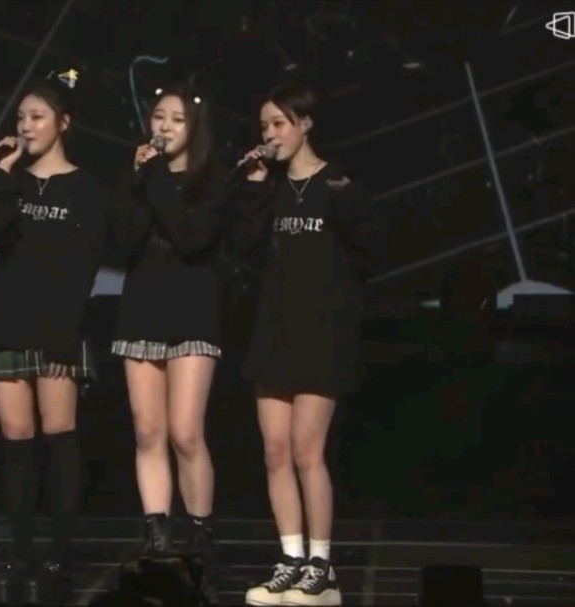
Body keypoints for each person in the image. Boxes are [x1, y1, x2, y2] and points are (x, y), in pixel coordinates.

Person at [234, 83, 388, 607]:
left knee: (306, 450)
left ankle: (322, 567)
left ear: (304, 124)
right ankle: (291, 560)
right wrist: (255, 187)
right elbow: (247, 251)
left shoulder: (337, 185)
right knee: (275, 450)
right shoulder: (271, 189)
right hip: (274, 331)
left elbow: (372, 252)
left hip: (322, 334)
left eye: (278, 124)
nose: (269, 134)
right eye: (264, 126)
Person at [0, 69, 108, 606]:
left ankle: (59, 558)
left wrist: (63, 334)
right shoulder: (10, 180)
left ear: (63, 123)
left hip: (58, 328)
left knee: (59, 434)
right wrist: (2, 174)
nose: (25, 126)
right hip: (7, 322)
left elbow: (86, 265)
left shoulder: (87, 188)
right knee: (16, 437)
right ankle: (21, 554)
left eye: (37, 117)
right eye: (21, 117)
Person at [109, 82, 229, 604]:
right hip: (142, 308)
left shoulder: (211, 180)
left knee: (184, 431)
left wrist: (155, 175)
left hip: (193, 310)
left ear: (194, 128)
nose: (164, 127)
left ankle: (201, 544)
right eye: (159, 117)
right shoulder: (139, 177)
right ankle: (158, 541)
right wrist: (136, 179)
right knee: (148, 430)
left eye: (177, 120)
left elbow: (190, 236)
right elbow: (124, 239)